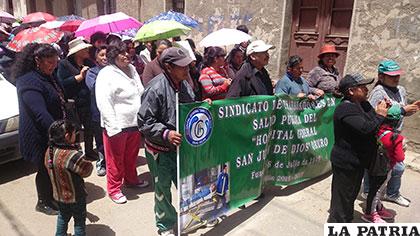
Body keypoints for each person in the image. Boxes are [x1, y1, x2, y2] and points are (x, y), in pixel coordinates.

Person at [138, 47, 197, 236]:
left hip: (181, 148)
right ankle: (165, 225)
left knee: (187, 184)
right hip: (160, 149)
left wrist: (203, 107)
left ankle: (192, 215)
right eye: (182, 66)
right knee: (162, 188)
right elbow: (144, 121)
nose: (187, 69)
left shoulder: (185, 84)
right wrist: (166, 133)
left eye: (187, 65)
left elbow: (189, 107)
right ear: (168, 67)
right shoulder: (155, 88)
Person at [327, 73, 389, 223]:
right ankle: (337, 223)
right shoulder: (345, 109)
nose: (367, 90)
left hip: (358, 161)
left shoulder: (363, 104)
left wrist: (385, 109)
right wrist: (380, 116)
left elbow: (372, 121)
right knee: (342, 198)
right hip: (346, 162)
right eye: (362, 87)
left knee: (350, 195)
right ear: (351, 91)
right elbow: (366, 128)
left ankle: (345, 219)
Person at [13, 43, 66, 215]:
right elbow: (40, 113)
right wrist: (60, 133)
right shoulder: (28, 81)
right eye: (49, 62)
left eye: (55, 61)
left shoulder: (47, 76)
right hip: (38, 135)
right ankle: (42, 202)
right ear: (37, 60)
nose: (54, 65)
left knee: (51, 167)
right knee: (44, 169)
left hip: (52, 130)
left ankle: (51, 196)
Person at [96, 41, 149, 204]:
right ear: (113, 55)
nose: (127, 55)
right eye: (122, 52)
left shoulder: (132, 69)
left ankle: (132, 180)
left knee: (131, 156)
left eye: (128, 52)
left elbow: (140, 92)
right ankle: (114, 189)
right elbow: (104, 101)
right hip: (117, 125)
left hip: (134, 123)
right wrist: (112, 127)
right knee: (115, 160)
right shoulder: (106, 74)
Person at [362, 60, 420, 207]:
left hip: (395, 135)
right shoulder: (378, 92)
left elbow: (402, 112)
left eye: (397, 75)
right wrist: (401, 110)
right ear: (381, 77)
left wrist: (410, 110)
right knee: (376, 166)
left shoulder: (401, 90)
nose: (396, 78)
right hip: (381, 136)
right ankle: (369, 191)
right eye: (391, 76)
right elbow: (374, 114)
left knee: (398, 167)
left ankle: (392, 193)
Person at [45, 120, 93, 236]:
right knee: (79, 221)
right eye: (74, 133)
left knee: (63, 216)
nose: (76, 135)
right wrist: (79, 151)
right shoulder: (72, 155)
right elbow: (87, 170)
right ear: (67, 136)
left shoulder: (49, 152)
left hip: (59, 195)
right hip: (76, 196)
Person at [362, 104, 404, 223]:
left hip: (371, 163)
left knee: (373, 188)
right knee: (377, 191)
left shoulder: (376, 129)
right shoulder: (396, 137)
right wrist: (403, 149)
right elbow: (400, 157)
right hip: (384, 167)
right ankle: (369, 214)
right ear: (397, 121)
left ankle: (377, 207)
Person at [57, 37, 97, 160]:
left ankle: (89, 151)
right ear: (77, 51)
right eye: (84, 49)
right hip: (73, 103)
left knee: (89, 128)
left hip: (87, 101)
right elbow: (62, 83)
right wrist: (80, 77)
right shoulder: (64, 64)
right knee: (74, 129)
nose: (87, 51)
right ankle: (75, 154)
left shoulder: (89, 63)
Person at [85, 46, 108, 176]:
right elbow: (94, 87)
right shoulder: (92, 72)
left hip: (113, 112)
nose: (105, 58)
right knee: (100, 140)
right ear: (96, 58)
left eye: (107, 55)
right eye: (102, 55)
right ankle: (102, 162)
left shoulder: (116, 71)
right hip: (98, 112)